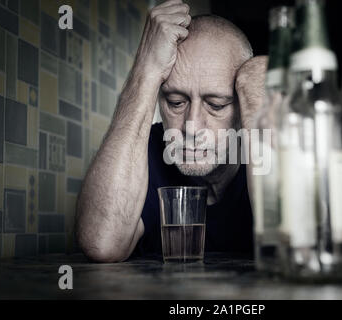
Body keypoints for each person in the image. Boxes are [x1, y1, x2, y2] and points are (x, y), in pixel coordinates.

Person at [75, 0, 267, 262]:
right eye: (176, 102)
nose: (191, 127)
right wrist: (146, 69)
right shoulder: (147, 152)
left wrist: (256, 103)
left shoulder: (262, 150)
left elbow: (296, 244)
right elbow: (101, 244)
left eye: (216, 105)